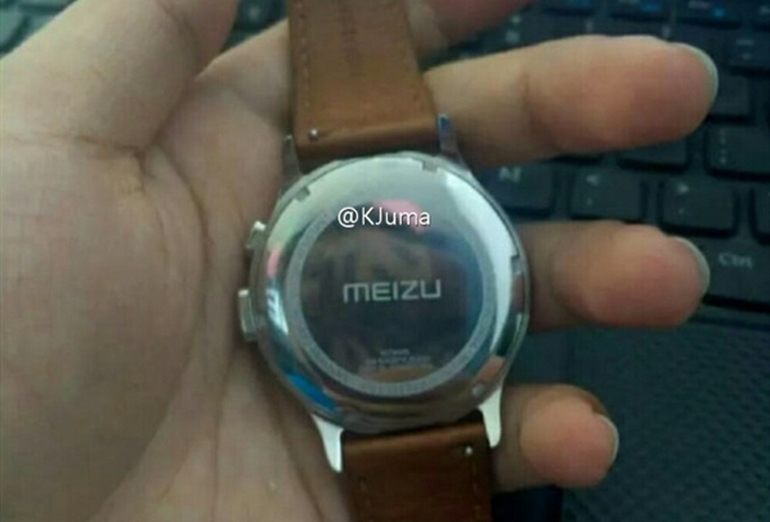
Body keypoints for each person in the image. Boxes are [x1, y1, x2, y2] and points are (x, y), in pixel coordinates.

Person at [0, 0, 717, 520]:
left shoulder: (404, 218)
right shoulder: (426, 219)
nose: (384, 283)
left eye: (398, 259)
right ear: (257, 308)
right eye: (359, 275)